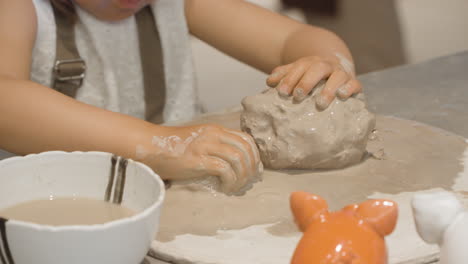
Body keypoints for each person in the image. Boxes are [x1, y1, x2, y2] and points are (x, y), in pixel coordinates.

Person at [0, 0, 361, 193]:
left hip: (186, 187)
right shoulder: (21, 8)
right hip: (71, 200)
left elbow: (291, 39)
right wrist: (159, 144)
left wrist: (327, 62)